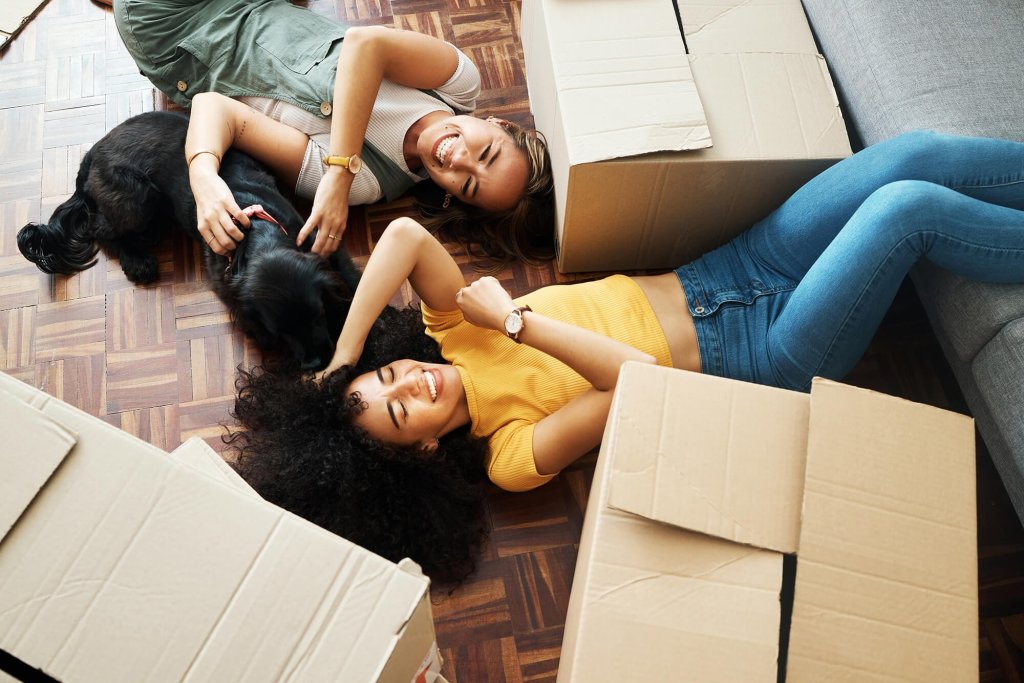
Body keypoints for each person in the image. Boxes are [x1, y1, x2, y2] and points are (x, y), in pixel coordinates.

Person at [229, 130, 1024, 577]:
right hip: (762, 353)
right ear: (426, 447)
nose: (417, 380)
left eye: (392, 373)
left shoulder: (448, 331)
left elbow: (402, 236)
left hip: (732, 268)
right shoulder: (510, 453)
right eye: (405, 408)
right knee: (904, 211)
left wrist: (340, 361)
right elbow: (638, 385)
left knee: (907, 156)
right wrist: (516, 324)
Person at [111, 0, 554, 262]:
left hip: (179, 30)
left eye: (469, 186)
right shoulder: (457, 85)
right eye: (488, 153)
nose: (458, 161)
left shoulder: (368, 183)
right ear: (499, 123)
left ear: (453, 198)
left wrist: (203, 177)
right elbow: (367, 45)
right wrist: (339, 170)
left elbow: (216, 109)